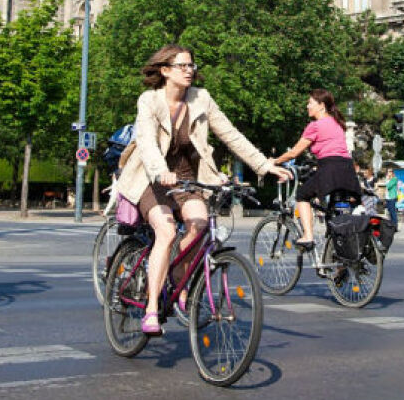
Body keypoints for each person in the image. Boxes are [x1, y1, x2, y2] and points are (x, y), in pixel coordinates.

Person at [116, 45, 290, 336]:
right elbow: (145, 141)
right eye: (182, 66)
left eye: (191, 66)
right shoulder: (149, 100)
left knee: (199, 226)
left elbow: (231, 135)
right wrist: (159, 171)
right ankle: (151, 309)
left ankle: (177, 275)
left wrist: (263, 165)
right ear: (165, 71)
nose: (189, 71)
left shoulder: (201, 98)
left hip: (187, 178)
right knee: (166, 232)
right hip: (152, 178)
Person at [272, 88, 361, 249]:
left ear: (321, 106)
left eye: (310, 103)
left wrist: (274, 161)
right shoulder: (337, 123)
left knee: (302, 195)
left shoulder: (315, 126)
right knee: (332, 212)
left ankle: (308, 236)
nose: (307, 106)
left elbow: (294, 153)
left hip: (330, 168)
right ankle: (338, 255)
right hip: (347, 169)